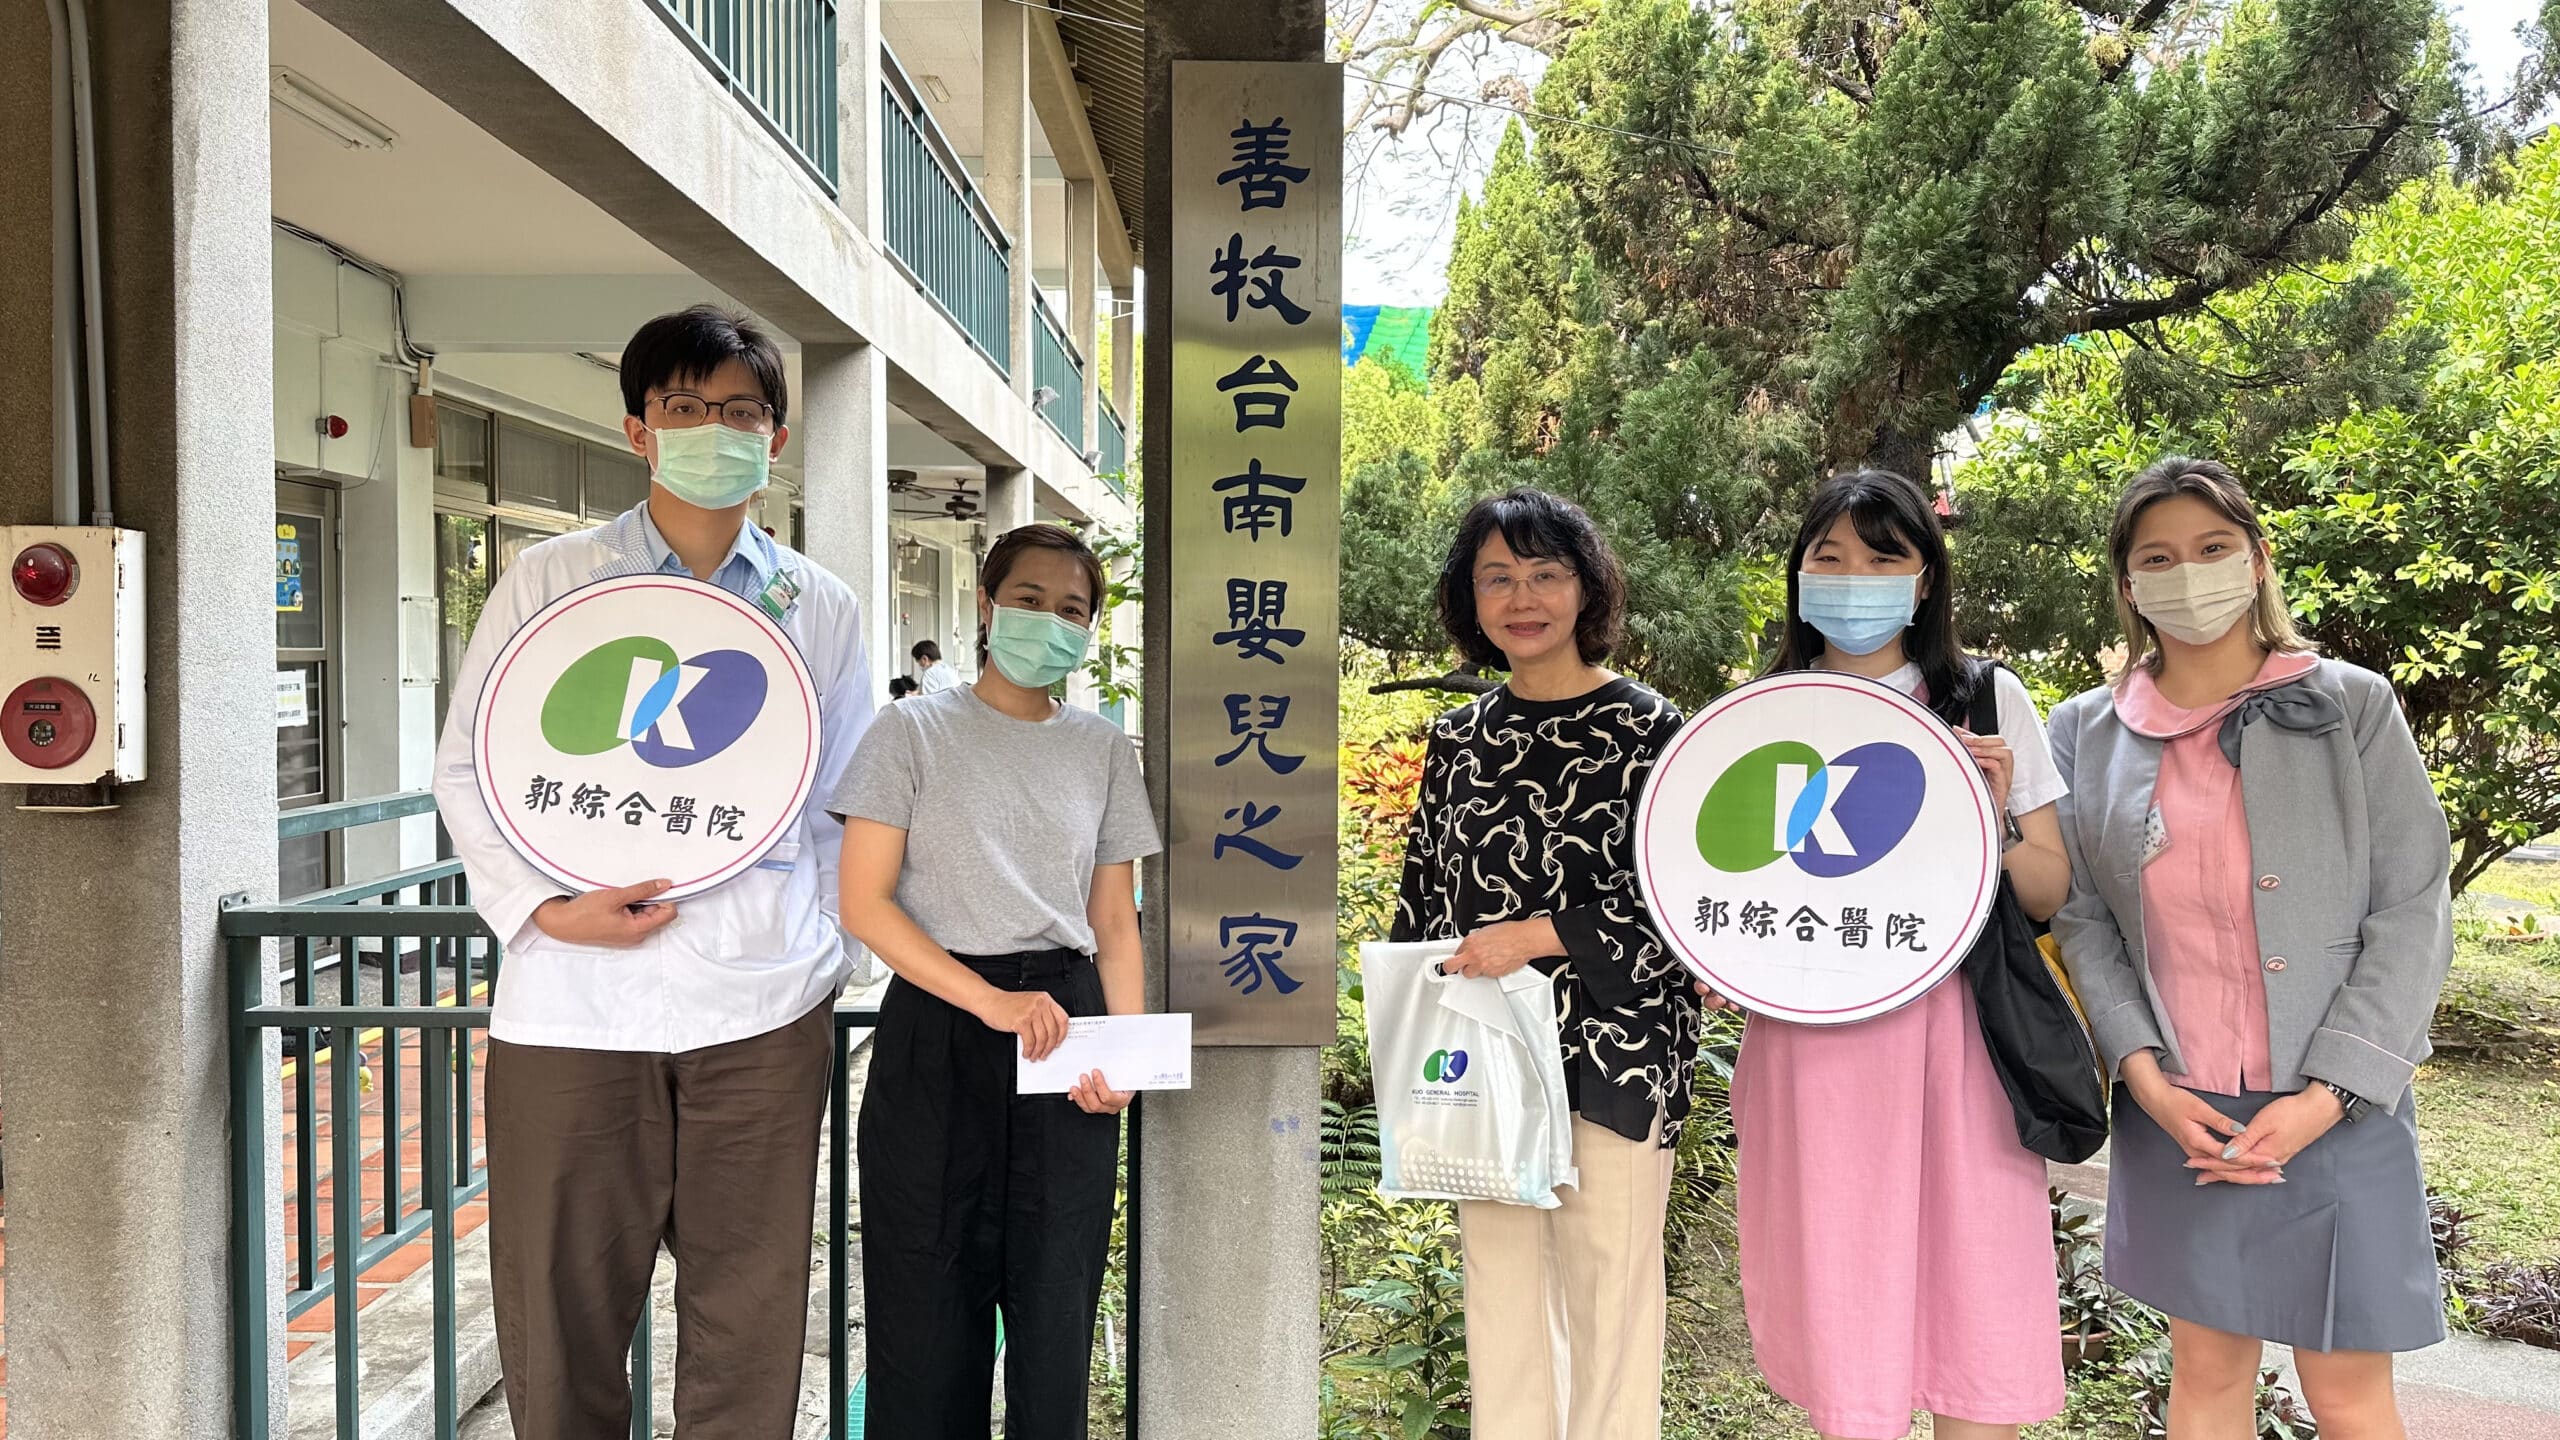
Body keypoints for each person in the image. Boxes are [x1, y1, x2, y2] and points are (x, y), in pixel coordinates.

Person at [432, 305, 873, 1438]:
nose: (714, 428)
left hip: (762, 1003)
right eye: (686, 406)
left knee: (750, 1315)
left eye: (742, 411)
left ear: (776, 438)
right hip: (573, 1008)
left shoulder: (817, 605)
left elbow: (848, 798)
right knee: (561, 1311)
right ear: (639, 429)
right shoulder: (553, 579)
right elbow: (470, 765)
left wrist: (821, 953)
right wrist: (544, 912)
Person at [2047, 457, 2451, 1438]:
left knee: (2347, 1390)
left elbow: (2412, 904)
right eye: (2158, 557)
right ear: (2128, 583)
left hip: (2338, 1103)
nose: (2187, 573)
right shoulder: (2085, 732)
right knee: (2208, 1373)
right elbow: (2084, 918)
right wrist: (2146, 1081)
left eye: (2212, 548)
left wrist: (2328, 1095)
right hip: (2179, 1105)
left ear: (2257, 560)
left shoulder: (2352, 706)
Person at [1711, 469, 2073, 1440]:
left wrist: (1992, 819)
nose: (1853, 579)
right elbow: (1726, 888)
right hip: (1814, 1047)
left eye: (1883, 557)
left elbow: (2048, 888)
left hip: (1960, 1038)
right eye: (1828, 557)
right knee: (1842, 1298)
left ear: (1925, 579)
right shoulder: (1761, 715)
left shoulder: (1983, 697)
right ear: (1798, 577)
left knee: (1976, 1288)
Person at [833, 523, 1159, 1440]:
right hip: (940, 1025)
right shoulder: (910, 731)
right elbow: (864, 902)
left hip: (1064, 1034)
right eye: (1029, 599)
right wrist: (989, 1002)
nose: (1049, 620)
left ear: (1089, 629)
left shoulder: (1101, 748)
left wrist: (1124, 1059)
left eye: (1072, 609)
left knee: (1056, 1309)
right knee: (924, 1307)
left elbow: (1113, 921)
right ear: (986, 603)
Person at [1390, 487, 1697, 1440]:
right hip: (1484, 1059)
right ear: (1470, 599)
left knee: (1611, 1297)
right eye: (1497, 578)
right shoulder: (1458, 737)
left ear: (1585, 588)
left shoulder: (1653, 730)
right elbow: (1423, 898)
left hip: (1616, 1052)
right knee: (1503, 1297)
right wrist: (1409, 1040)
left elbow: (1690, 906)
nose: (1522, 598)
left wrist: (1538, 935)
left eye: (1545, 573)